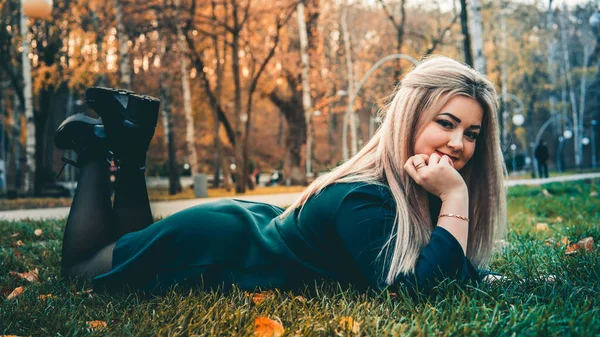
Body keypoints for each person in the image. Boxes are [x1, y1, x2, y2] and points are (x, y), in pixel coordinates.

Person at [55, 56, 506, 295]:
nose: (458, 144)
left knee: (132, 249)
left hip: (240, 231)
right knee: (83, 268)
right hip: (218, 250)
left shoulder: (408, 186)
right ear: (410, 120)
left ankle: (131, 146)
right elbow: (418, 291)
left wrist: (481, 275)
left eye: (471, 133)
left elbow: (432, 263)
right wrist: (456, 199)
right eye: (445, 124)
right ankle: (96, 149)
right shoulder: (365, 198)